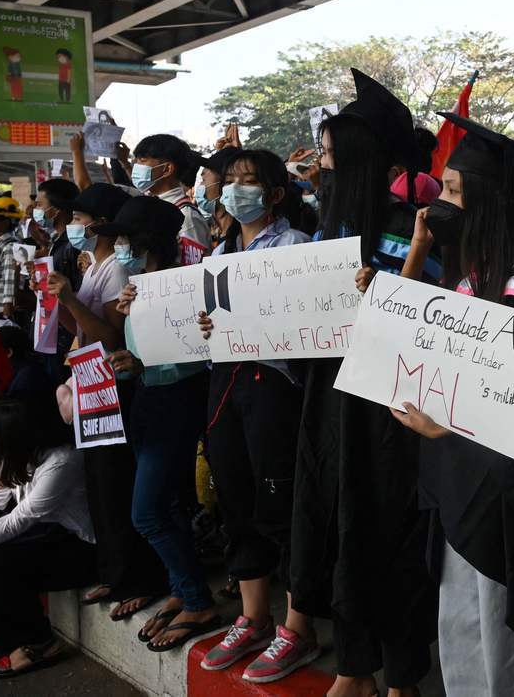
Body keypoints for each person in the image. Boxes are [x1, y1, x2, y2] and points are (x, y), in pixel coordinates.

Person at [390, 113, 514, 696]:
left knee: (506, 649)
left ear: (486, 200)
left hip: (509, 496)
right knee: (462, 631)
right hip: (460, 486)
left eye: (451, 190)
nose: (439, 202)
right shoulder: (470, 278)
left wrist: (447, 426)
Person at [292, 69, 437, 697]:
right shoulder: (331, 224)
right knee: (337, 524)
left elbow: (433, 316)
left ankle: (402, 675)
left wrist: (396, 282)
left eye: (328, 154)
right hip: (333, 402)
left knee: (388, 535)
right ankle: (354, 667)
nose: (321, 165)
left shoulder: (415, 225)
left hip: (391, 407)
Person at [197, 149, 319, 685]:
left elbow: (312, 320)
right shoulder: (219, 250)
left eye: (249, 182)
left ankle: (298, 627)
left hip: (274, 384)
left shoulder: (296, 247)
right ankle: (253, 617)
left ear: (274, 194)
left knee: (282, 502)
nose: (235, 190)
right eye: (230, 181)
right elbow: (208, 321)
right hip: (227, 381)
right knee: (234, 494)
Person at [101, 196, 221, 652]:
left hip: (175, 400)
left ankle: (197, 600)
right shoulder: (139, 289)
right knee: (165, 504)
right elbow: (144, 356)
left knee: (146, 512)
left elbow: (193, 355)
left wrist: (144, 356)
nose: (119, 246)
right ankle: (180, 588)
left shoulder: (183, 288)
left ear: (147, 240)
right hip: (148, 397)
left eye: (126, 238)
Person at [48, 183, 167, 623]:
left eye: (79, 220)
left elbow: (108, 335)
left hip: (113, 386)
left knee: (118, 485)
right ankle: (114, 572)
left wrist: (70, 300)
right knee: (100, 485)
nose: (72, 226)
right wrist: (59, 301)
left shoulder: (117, 269)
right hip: (91, 383)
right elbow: (79, 326)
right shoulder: (94, 266)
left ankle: (138, 577)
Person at [0, 399, 95, 681]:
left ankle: (40, 643)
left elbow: (14, 522)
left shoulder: (60, 463)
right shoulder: (13, 460)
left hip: (84, 550)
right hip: (49, 537)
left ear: (10, 437)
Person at [131, 134, 210, 267]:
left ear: (167, 169)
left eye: (143, 161)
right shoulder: (150, 207)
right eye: (136, 161)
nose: (136, 167)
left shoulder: (186, 217)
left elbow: (194, 271)